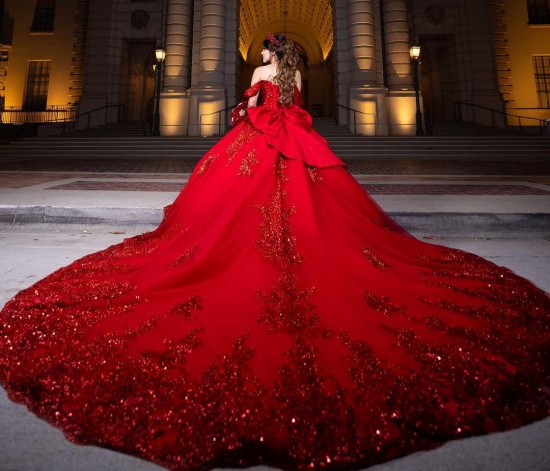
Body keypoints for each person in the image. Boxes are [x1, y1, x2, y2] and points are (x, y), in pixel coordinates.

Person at [0, 32, 549, 471]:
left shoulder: (260, 74)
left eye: (265, 50)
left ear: (268, 55)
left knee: (224, 208)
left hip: (258, 143)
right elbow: (291, 108)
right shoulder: (295, 76)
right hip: (295, 141)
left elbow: (251, 114)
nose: (262, 56)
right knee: (316, 206)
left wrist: (243, 114)